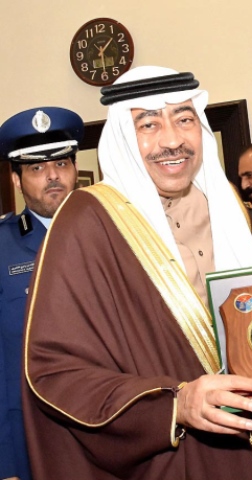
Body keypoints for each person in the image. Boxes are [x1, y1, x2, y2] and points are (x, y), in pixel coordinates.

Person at [22, 67, 252, 480]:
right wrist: (174, 405)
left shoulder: (227, 206)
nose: (171, 139)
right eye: (148, 123)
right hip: (164, 457)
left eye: (184, 119)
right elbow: (54, 369)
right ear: (125, 138)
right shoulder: (86, 220)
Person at [0, 107, 82, 480]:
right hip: (31, 438)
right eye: (36, 168)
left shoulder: (114, 235)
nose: (53, 176)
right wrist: (6, 463)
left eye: (62, 163)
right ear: (16, 180)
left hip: (108, 432)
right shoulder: (3, 248)